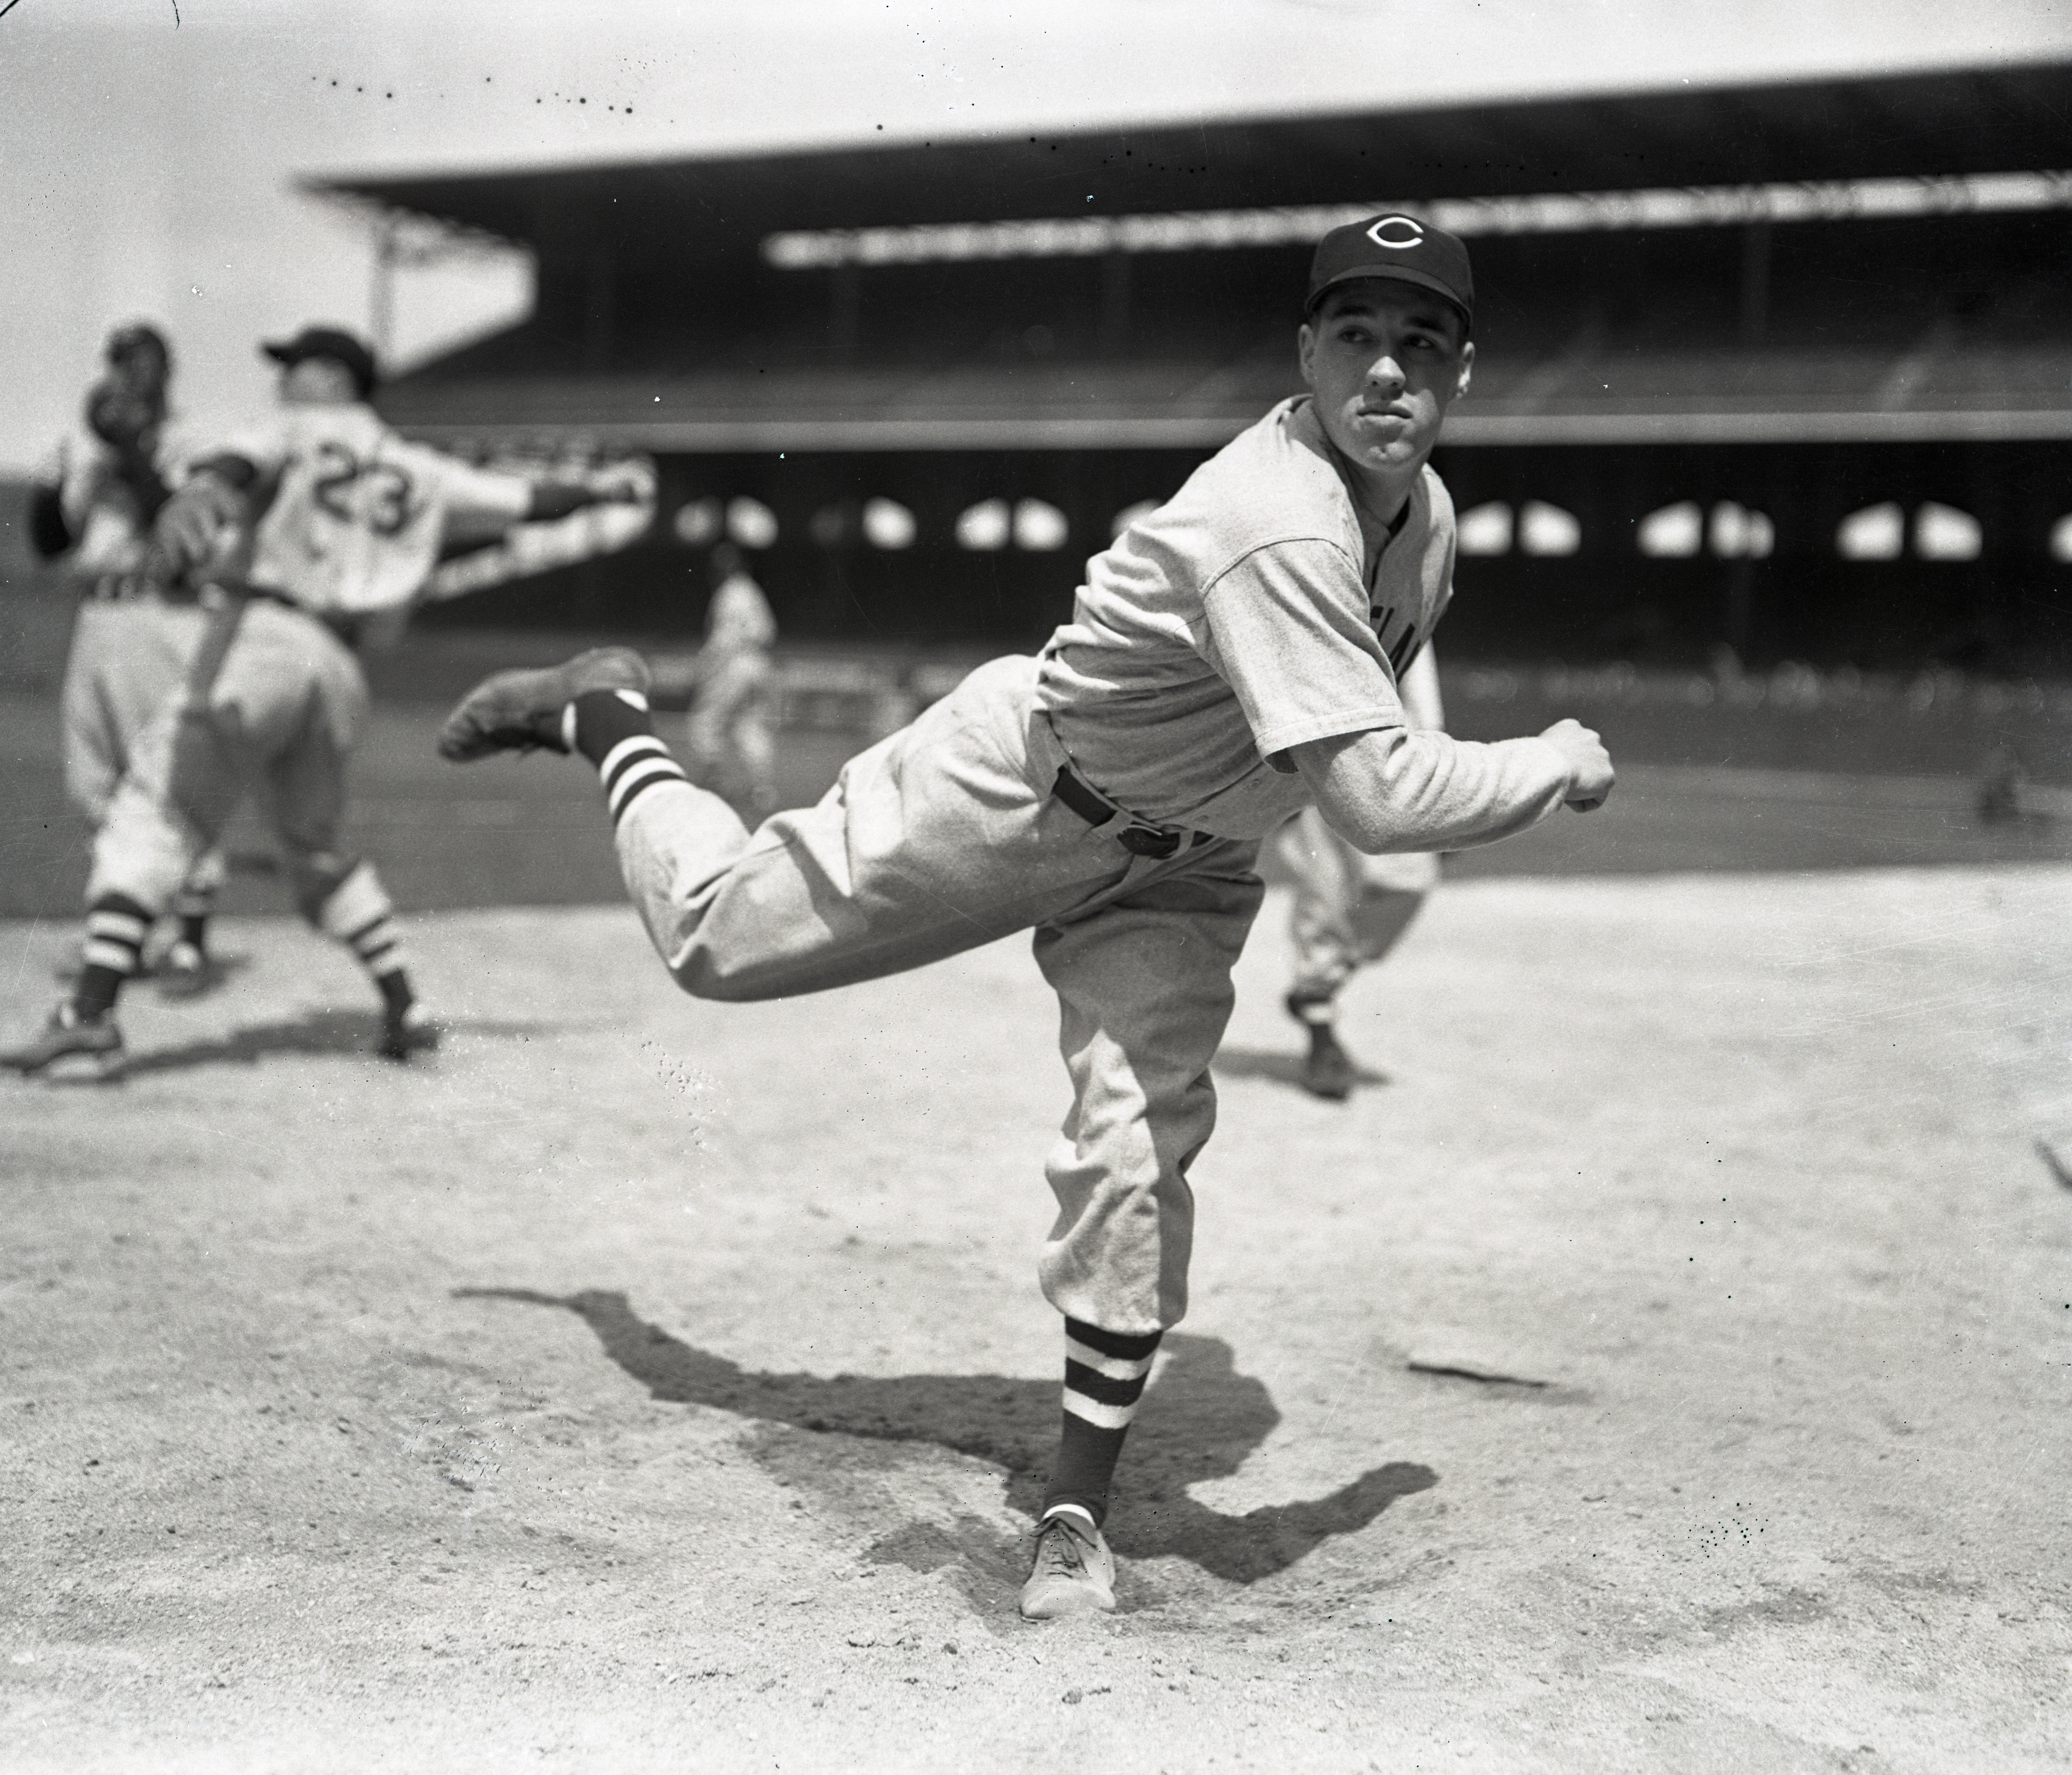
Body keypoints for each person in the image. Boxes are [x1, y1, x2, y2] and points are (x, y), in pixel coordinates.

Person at [437, 216, 1614, 1620]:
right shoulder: (1274, 519)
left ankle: (1071, 1509)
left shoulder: (1426, 529)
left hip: (1190, 870)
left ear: (1459, 375)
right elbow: (1374, 796)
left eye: (1418, 342)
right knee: (712, 937)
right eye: (1352, 334)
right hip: (1023, 786)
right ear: (1302, 353)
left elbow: (1350, 748)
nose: (1383, 370)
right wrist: (1544, 760)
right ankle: (603, 712)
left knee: (1134, 1148)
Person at [0, 324, 654, 1079]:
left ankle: (88, 1014)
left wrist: (208, 487)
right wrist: (604, 490)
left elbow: (238, 465)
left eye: (296, 366)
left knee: (154, 808)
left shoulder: (292, 427)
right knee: (316, 852)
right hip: (338, 667)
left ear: (334, 375)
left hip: (261, 638)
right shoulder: (413, 465)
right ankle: (404, 1004)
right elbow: (531, 500)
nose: (283, 380)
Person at [27, 322, 227, 994]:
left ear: (164, 374)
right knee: (91, 782)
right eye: (116, 365)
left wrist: (129, 454)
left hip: (163, 614)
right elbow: (54, 543)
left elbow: (183, 531)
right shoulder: (93, 445)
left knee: (169, 773)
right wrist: (48, 490)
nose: (123, 377)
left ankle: (192, 941)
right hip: (98, 617)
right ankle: (126, 931)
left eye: (136, 366)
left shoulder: (193, 444)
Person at [1275, 638, 1443, 1098]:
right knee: (1326, 891)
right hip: (1318, 738)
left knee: (1408, 882)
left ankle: (1320, 980)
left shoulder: (1410, 573)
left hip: (1395, 745)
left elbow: (1418, 671)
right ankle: (1319, 1020)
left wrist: (1435, 754)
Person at [687, 541, 780, 824]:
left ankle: (716, 784)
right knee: (748, 726)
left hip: (735, 664)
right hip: (759, 663)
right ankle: (763, 791)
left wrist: (703, 667)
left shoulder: (730, 593)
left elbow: (723, 639)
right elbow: (769, 630)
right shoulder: (751, 590)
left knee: (704, 722)